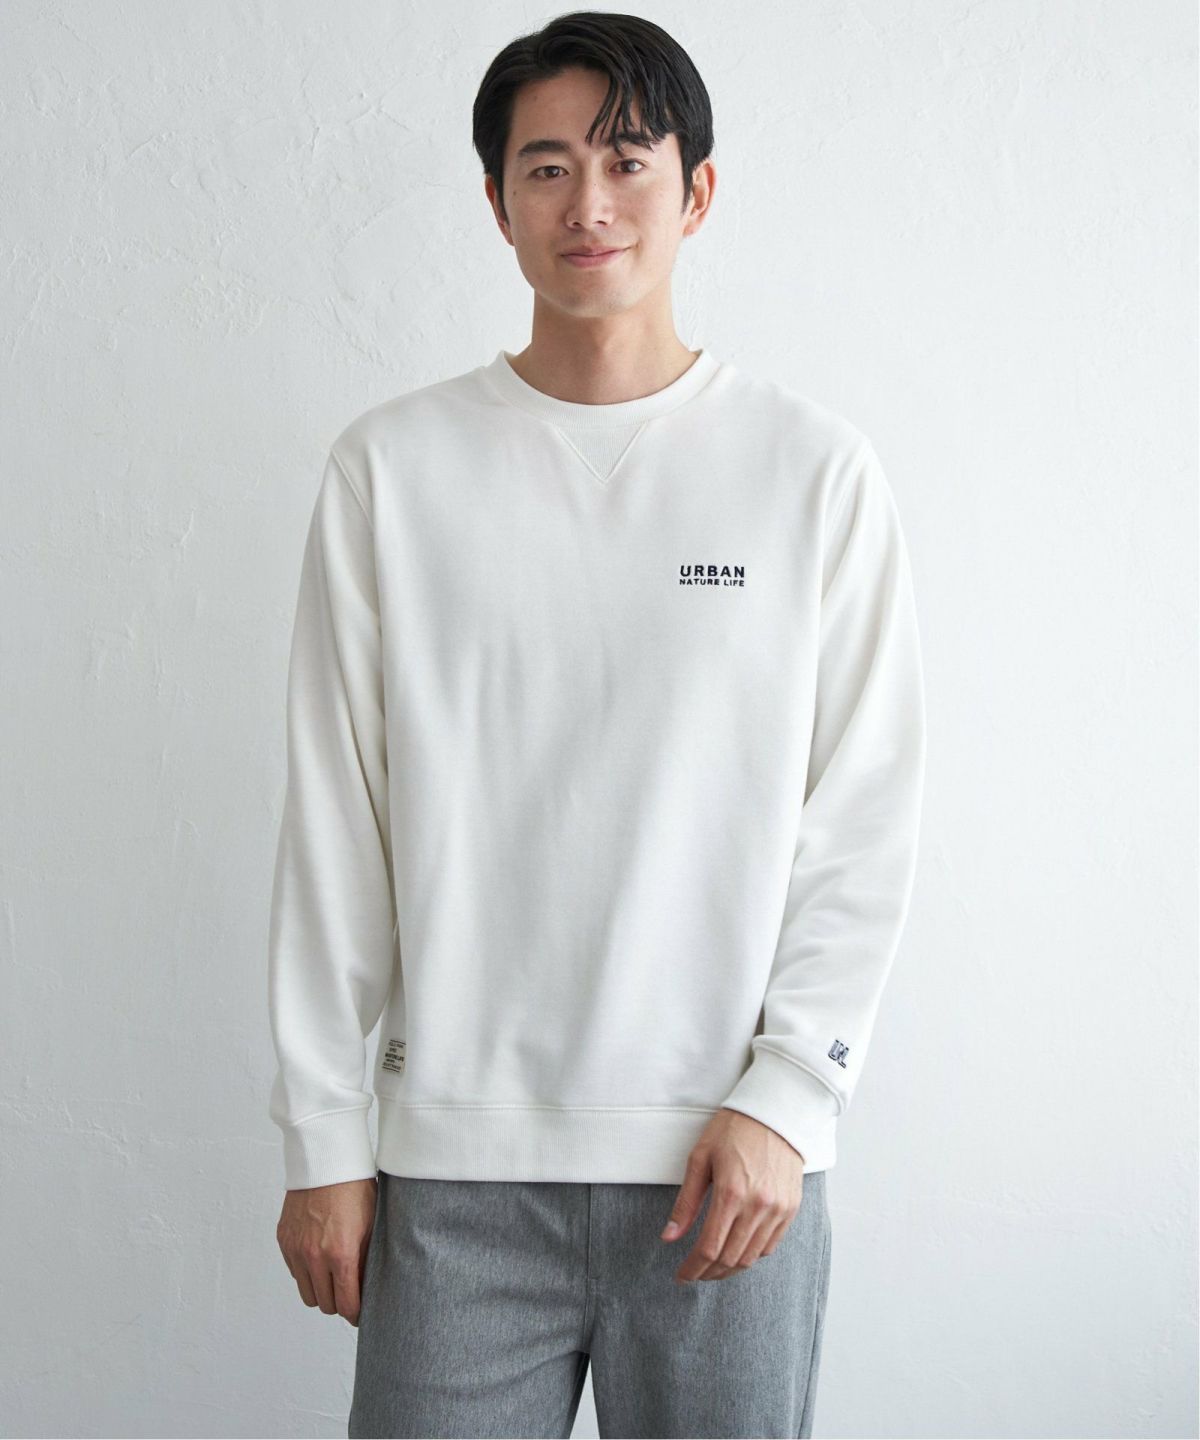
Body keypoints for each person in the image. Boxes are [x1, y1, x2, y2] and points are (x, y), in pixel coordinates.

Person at [267, 11, 926, 1438]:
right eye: (548, 166)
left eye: (629, 160)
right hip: (451, 1176)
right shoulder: (393, 472)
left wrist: (792, 1096)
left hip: (727, 1171)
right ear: (497, 201)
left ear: (698, 190)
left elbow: (863, 814)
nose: (590, 203)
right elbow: (336, 819)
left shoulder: (810, 473)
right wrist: (322, 1135)